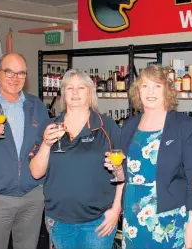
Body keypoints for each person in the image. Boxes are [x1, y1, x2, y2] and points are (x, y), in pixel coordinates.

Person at [105, 66, 192, 249]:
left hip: (169, 219)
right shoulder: (129, 126)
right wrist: (116, 172)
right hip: (133, 218)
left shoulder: (184, 126)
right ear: (137, 91)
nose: (150, 92)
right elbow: (123, 177)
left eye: (157, 86)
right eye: (144, 86)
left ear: (167, 90)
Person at [29, 69, 122, 249]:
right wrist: (46, 145)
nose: (75, 93)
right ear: (63, 94)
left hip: (98, 222)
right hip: (59, 220)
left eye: (81, 88)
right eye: (69, 88)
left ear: (90, 92)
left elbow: (122, 170)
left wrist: (116, 208)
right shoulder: (50, 126)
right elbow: (35, 172)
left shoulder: (106, 126)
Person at [0, 53, 49, 249]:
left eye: (21, 73)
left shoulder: (36, 105)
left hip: (32, 195)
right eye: (9, 72)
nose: (15, 78)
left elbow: (44, 141)